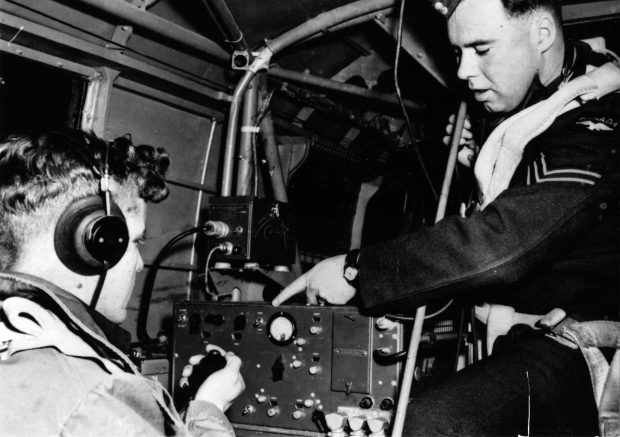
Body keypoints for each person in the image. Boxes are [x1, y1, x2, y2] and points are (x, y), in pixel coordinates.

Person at [274, 0, 620, 434]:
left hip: (590, 349)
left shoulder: (598, 127)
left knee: (432, 424)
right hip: (528, 336)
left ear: (542, 35)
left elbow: (500, 245)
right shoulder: (533, 119)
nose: (462, 71)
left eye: (481, 48)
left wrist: (354, 270)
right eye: (458, 52)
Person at [0, 129, 244, 436]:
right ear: (95, 242)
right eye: (136, 242)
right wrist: (210, 408)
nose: (140, 264)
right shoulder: (93, 399)